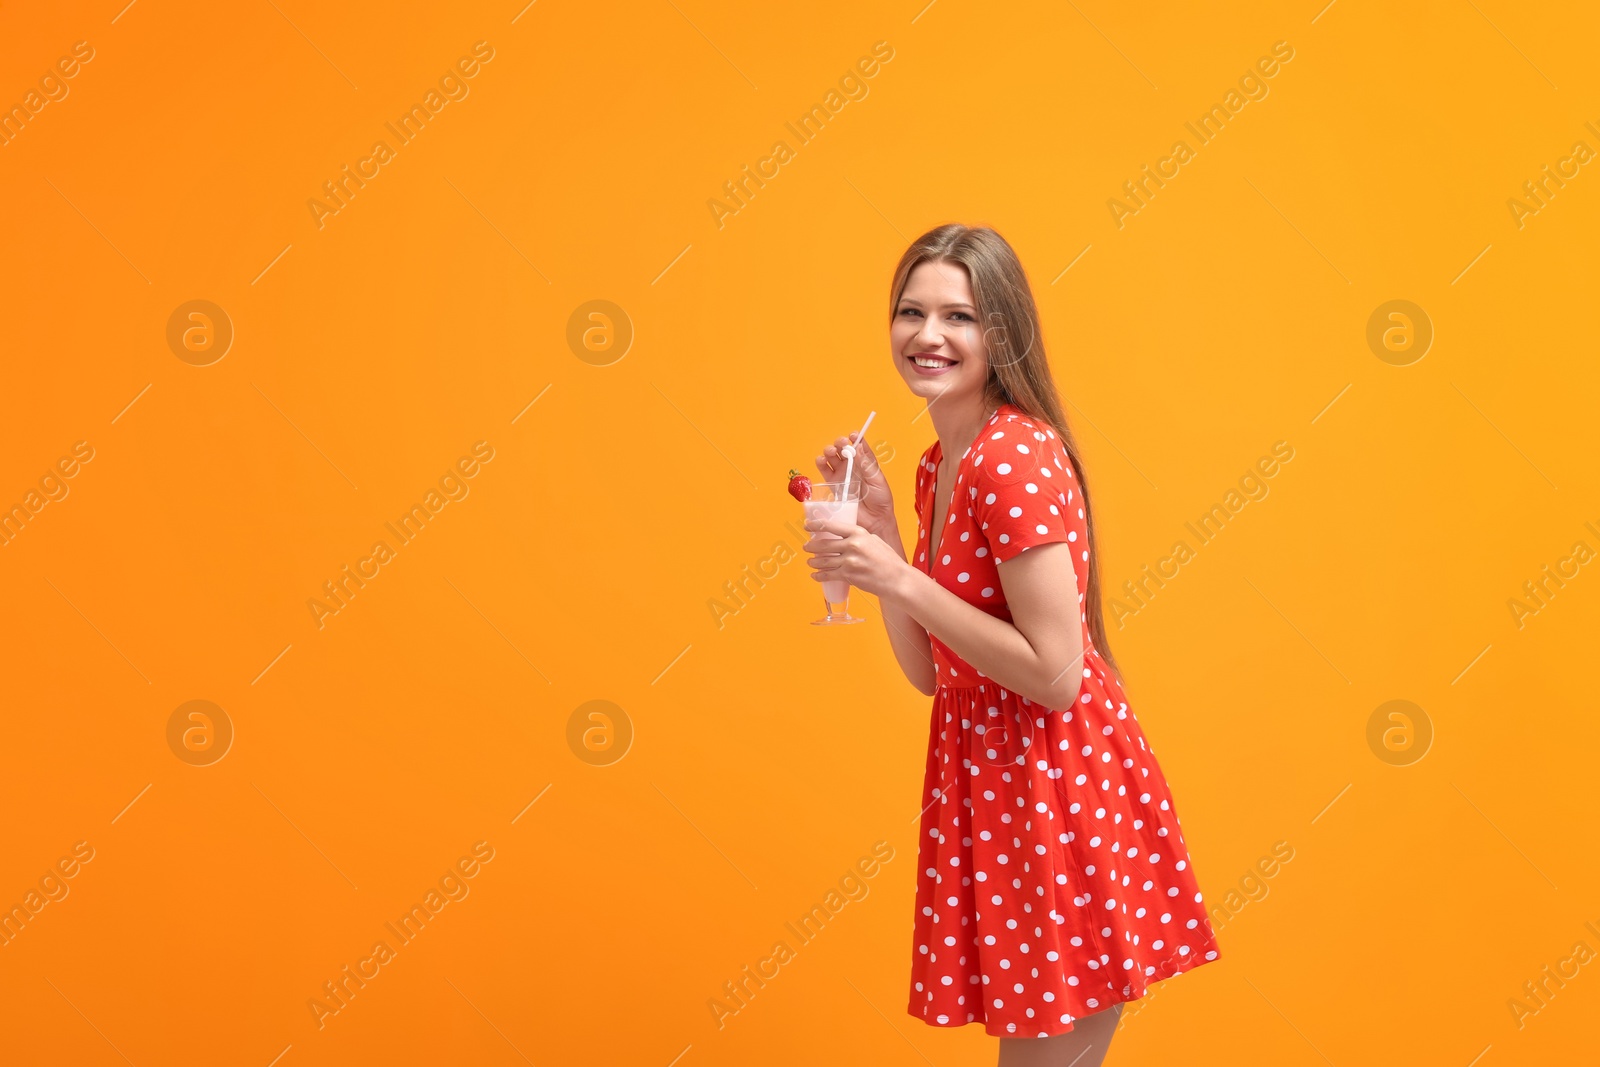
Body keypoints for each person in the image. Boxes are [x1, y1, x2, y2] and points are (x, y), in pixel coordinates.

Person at [802, 224, 1220, 1066]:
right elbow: (932, 676)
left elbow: (1058, 676)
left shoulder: (1009, 457)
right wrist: (888, 537)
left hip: (1055, 784)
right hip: (994, 780)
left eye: (959, 316)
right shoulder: (938, 464)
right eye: (910, 311)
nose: (928, 335)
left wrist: (902, 578)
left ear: (1003, 331)